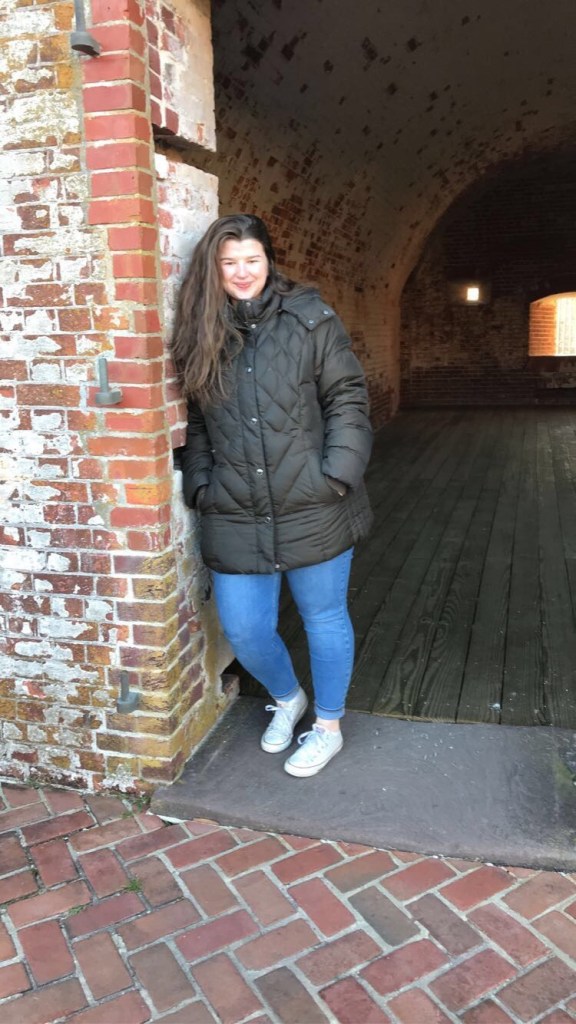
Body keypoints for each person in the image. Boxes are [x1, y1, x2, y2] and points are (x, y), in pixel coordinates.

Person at [171, 214, 373, 777]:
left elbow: (348, 398)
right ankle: (288, 698)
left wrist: (337, 475)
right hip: (234, 505)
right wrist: (202, 482)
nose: (242, 272)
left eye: (251, 260)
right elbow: (197, 421)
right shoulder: (201, 331)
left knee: (323, 618)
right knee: (245, 629)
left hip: (314, 500)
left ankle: (327, 726)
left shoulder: (310, 319)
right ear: (214, 269)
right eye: (229, 262)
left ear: (269, 260)